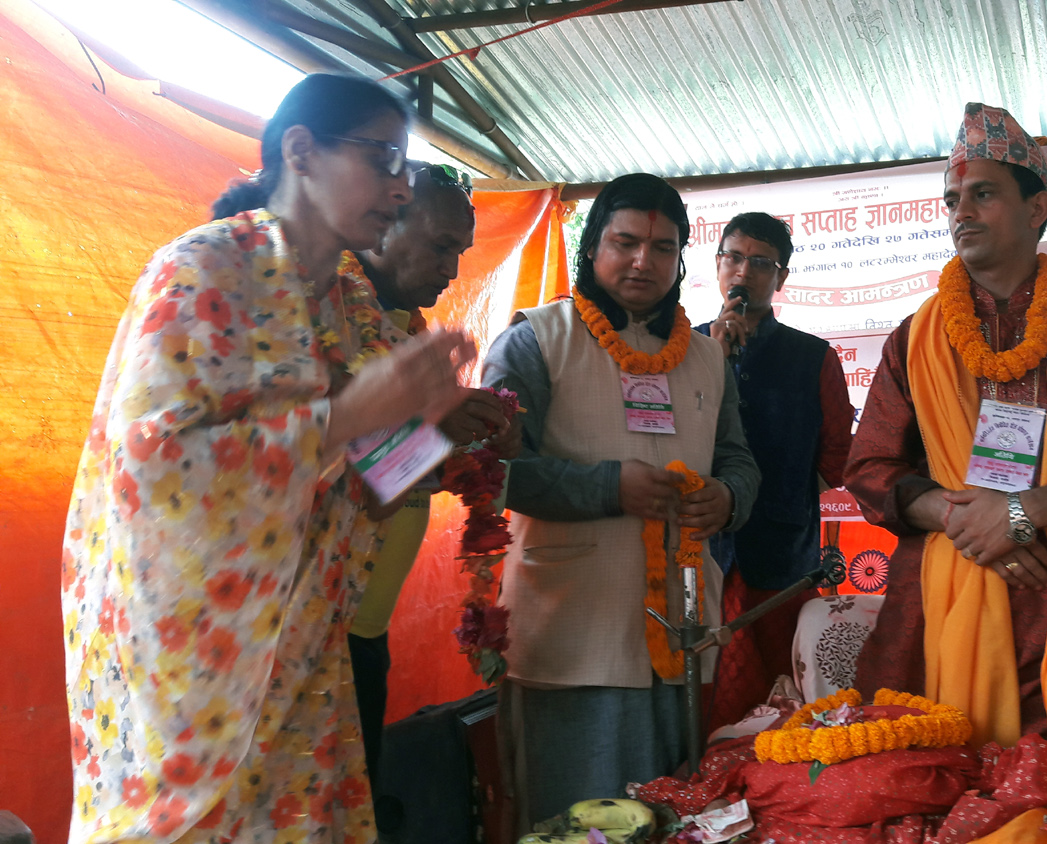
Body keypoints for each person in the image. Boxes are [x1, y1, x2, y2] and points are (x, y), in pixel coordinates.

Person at [62, 74, 477, 843]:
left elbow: (374, 491)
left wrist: (428, 426)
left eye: (403, 168)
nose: (398, 189)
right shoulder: (202, 270)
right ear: (301, 151)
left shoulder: (346, 308)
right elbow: (152, 468)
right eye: (383, 160)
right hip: (197, 662)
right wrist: (352, 412)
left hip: (308, 652)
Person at [844, 102, 1047, 748]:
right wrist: (971, 520)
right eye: (952, 198)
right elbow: (872, 467)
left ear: (1038, 208)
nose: (960, 212)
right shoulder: (915, 339)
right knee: (929, 773)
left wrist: (1023, 515)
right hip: (943, 588)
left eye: (982, 194)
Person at [482, 173, 760, 822]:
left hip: (681, 629)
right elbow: (495, 472)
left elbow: (738, 459)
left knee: (671, 813)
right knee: (573, 819)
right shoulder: (534, 341)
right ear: (592, 249)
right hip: (572, 631)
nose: (644, 260)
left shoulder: (706, 357)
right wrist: (610, 487)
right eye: (626, 242)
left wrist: (727, 497)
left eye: (663, 248)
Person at [342, 162, 520, 798]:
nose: (452, 270)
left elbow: (403, 465)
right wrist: (445, 429)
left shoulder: (405, 333)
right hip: (316, 630)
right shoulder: (332, 320)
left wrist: (474, 443)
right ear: (384, 221)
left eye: (461, 252)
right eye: (443, 245)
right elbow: (371, 481)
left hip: (364, 626)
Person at [696, 212, 855, 731]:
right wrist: (713, 358)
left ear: (781, 278)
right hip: (699, 559)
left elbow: (837, 458)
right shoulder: (683, 349)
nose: (744, 272)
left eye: (761, 263)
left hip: (783, 563)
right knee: (707, 704)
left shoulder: (813, 358)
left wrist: (786, 495)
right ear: (717, 266)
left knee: (788, 708)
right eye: (734, 258)